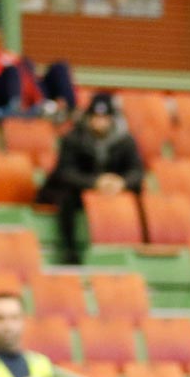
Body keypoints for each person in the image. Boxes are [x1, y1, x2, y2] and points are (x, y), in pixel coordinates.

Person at [36, 92, 144, 265]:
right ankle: (69, 250)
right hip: (77, 191)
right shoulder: (73, 138)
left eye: (104, 117)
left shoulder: (125, 141)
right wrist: (95, 182)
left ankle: (135, 246)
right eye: (95, 117)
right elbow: (65, 172)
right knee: (66, 197)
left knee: (139, 193)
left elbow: (137, 171)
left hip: (111, 189)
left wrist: (121, 182)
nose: (99, 121)